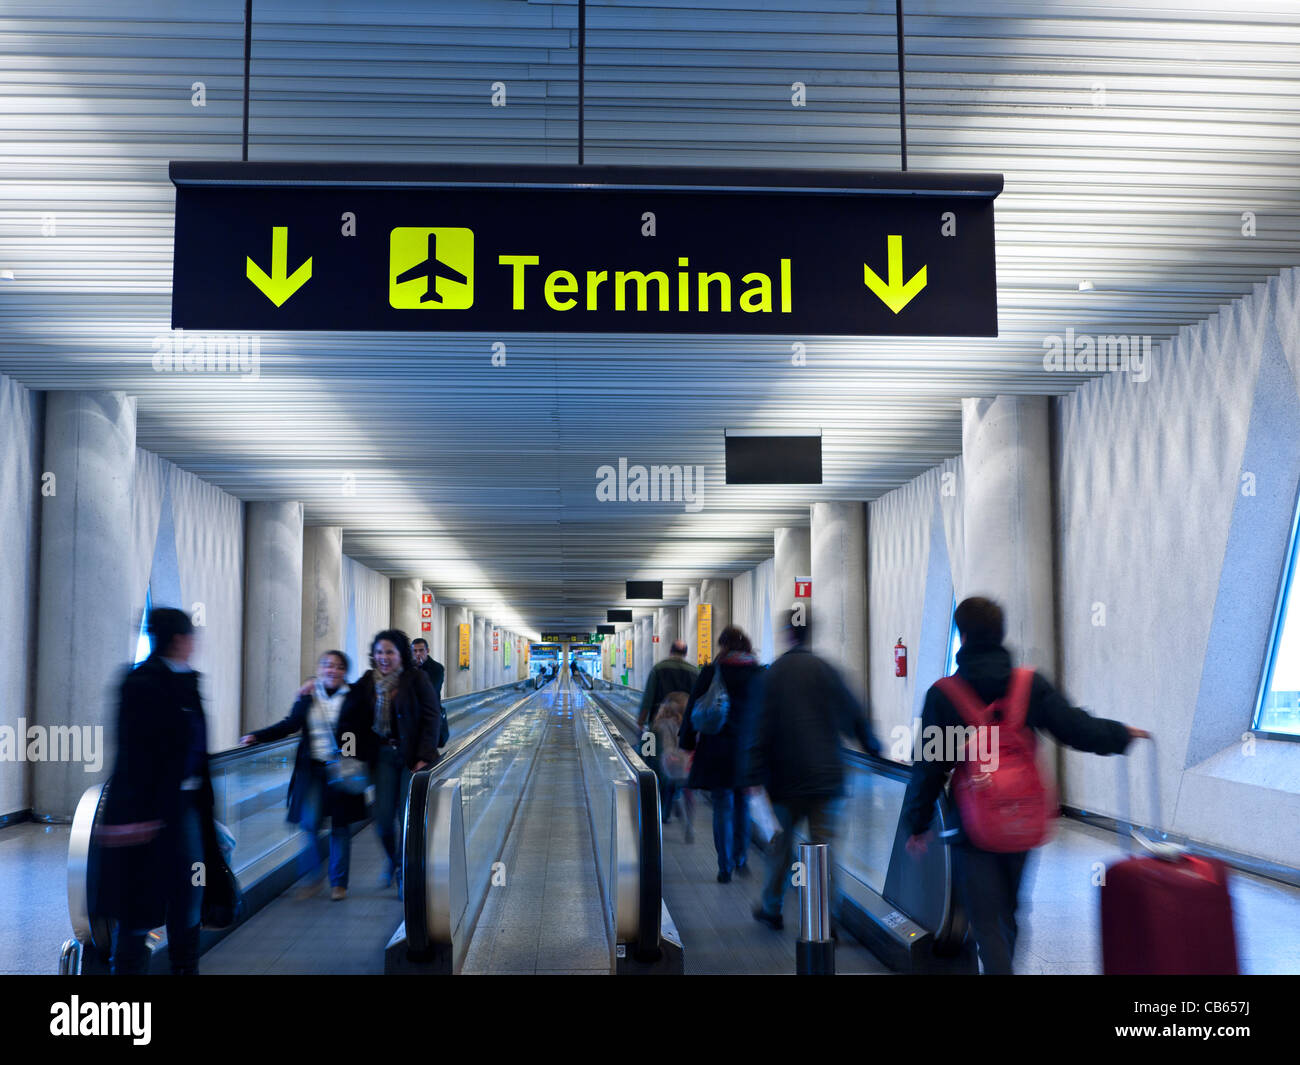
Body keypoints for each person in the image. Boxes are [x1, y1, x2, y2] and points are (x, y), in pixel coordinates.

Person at [902, 596, 1149, 975]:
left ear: (962, 637)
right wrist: (1118, 735)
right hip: (1023, 819)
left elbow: (929, 767)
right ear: (1001, 635)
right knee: (1009, 912)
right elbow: (1075, 728)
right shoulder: (1028, 685)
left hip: (972, 825)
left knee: (985, 920)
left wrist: (916, 825)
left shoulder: (945, 695)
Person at [97, 607, 224, 974]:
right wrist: (136, 814)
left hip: (186, 810)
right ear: (180, 640)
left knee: (188, 897)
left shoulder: (186, 682)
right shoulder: (142, 683)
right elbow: (134, 754)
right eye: (190, 637)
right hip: (148, 817)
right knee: (140, 910)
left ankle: (184, 968)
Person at [744, 609, 880, 930]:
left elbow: (758, 730)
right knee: (824, 850)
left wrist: (751, 776)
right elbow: (855, 715)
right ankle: (827, 918)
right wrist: (873, 747)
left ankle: (772, 908)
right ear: (809, 633)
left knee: (780, 847)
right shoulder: (827, 670)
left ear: (787, 634)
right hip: (826, 779)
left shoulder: (772, 675)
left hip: (784, 781)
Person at [239, 650, 363, 901]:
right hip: (312, 770)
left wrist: (348, 752)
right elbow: (289, 725)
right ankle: (314, 876)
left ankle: (339, 883)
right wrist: (257, 735)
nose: (333, 670)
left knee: (340, 826)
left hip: (340, 769)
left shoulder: (354, 698)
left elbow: (359, 731)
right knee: (309, 824)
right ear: (319, 669)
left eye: (339, 666)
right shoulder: (307, 696)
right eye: (328, 665)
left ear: (344, 672)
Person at [337, 629, 440, 894]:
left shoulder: (416, 679)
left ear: (400, 655)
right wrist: (347, 752)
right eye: (380, 652)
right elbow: (346, 718)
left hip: (410, 759)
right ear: (373, 655)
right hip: (381, 757)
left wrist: (424, 756)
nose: (384, 657)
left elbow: (432, 718)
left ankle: (406, 874)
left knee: (406, 818)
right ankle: (394, 861)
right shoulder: (367, 682)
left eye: (390, 652)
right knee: (382, 820)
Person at [680, 627, 762, 882]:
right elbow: (768, 715)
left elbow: (694, 708)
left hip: (716, 749)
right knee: (743, 804)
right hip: (747, 751)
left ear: (723, 645)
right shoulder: (758, 675)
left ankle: (724, 866)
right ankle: (741, 859)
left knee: (722, 807)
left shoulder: (711, 671)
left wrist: (687, 743)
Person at [637, 639, 698, 731]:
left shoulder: (658, 669)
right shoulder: (695, 672)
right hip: (685, 722)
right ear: (686, 654)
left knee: (660, 744)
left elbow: (648, 697)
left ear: (670, 652)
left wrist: (641, 720)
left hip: (660, 720)